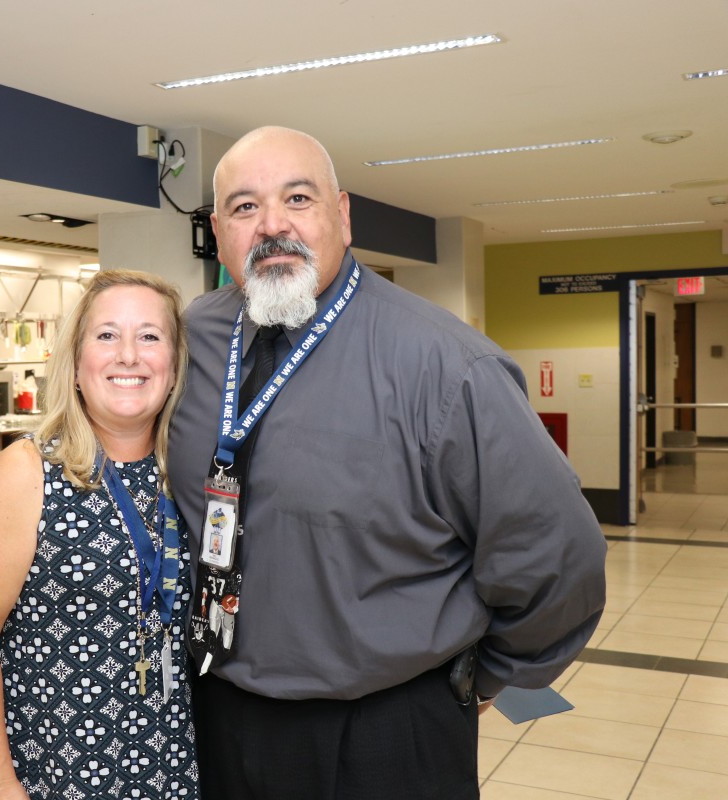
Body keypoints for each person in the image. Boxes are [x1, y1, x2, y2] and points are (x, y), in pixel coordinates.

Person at [167, 126, 607, 799]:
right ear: (219, 230)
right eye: (245, 207)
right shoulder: (188, 339)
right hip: (220, 713)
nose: (273, 225)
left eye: (298, 198)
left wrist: (482, 680)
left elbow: (559, 555)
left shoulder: (446, 365)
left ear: (342, 215)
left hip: (385, 732)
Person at [0, 270, 200, 799]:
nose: (128, 355)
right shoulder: (27, 472)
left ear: (174, 368)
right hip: (51, 768)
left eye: (150, 336)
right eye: (106, 335)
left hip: (166, 764)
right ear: (77, 364)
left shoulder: (188, 475)